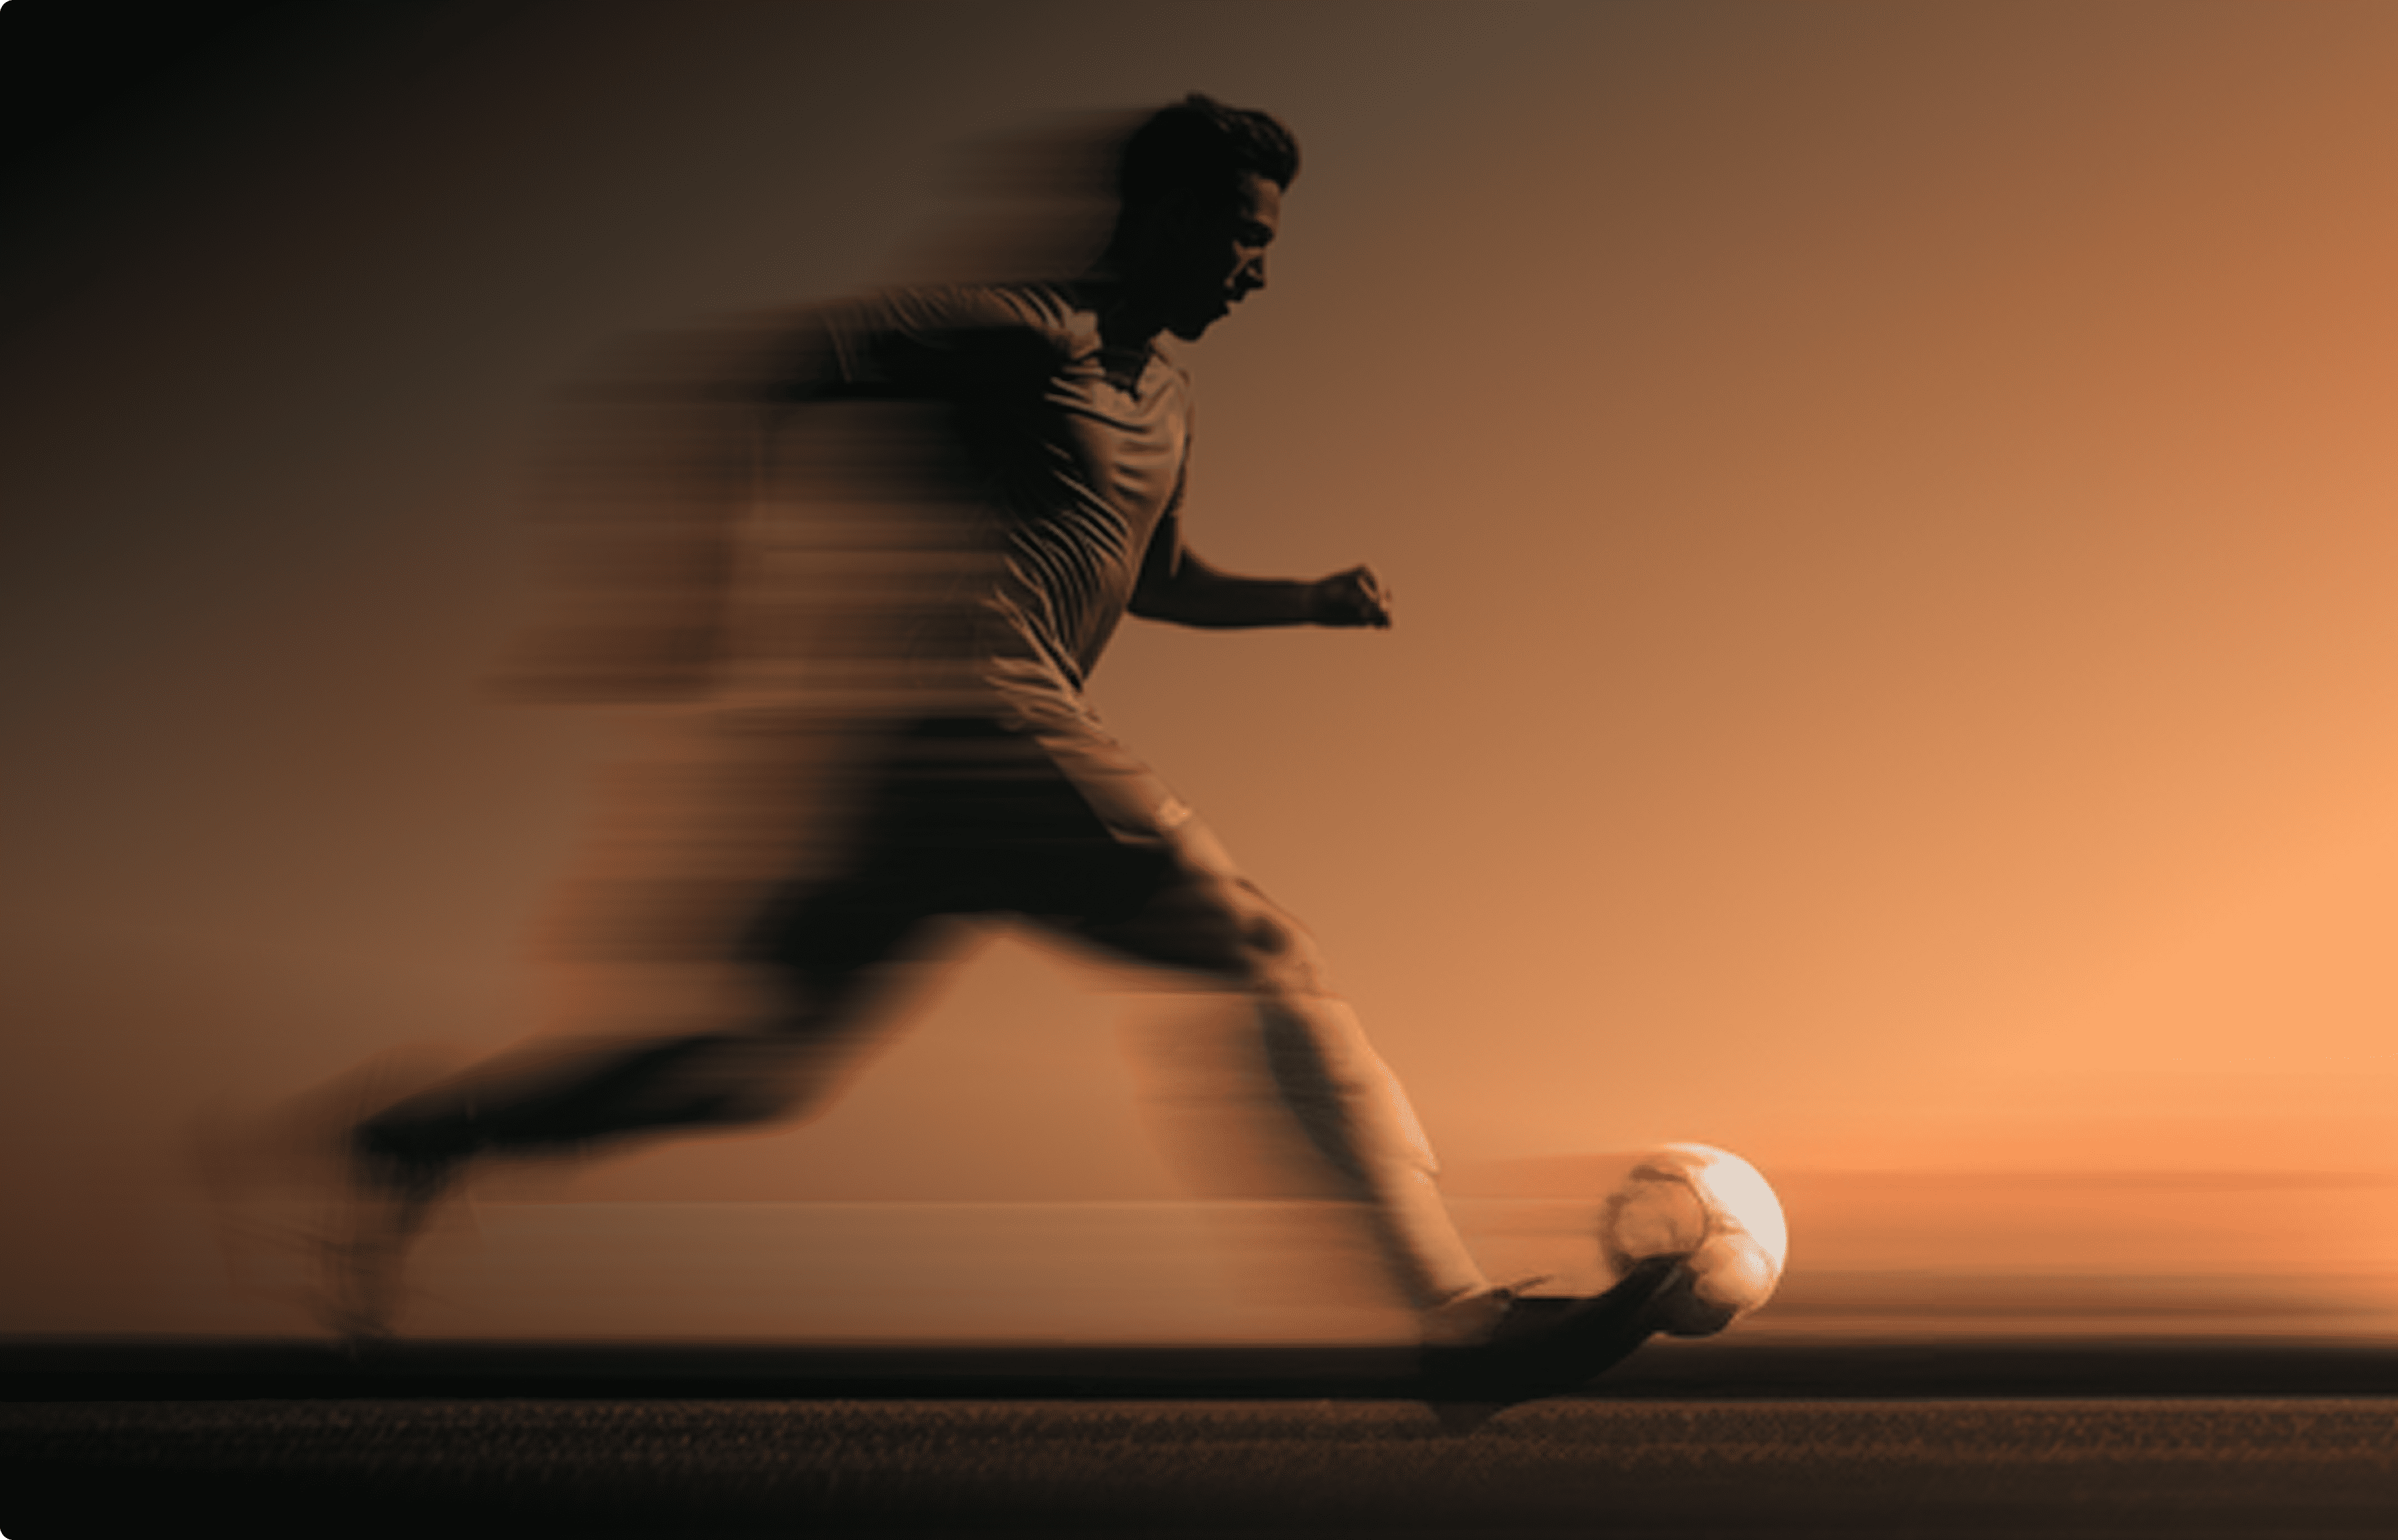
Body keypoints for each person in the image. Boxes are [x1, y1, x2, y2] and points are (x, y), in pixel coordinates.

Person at [327, 94, 1685, 1394]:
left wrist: (1306, 600)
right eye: (1242, 234)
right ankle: (1454, 1322)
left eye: (1269, 241)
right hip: (976, 716)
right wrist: (682, 598)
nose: (1258, 270)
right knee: (1265, 952)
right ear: (1154, 215)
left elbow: (1156, 577)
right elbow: (776, 369)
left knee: (753, 1065)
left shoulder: (1169, 395)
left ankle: (419, 1135)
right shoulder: (1029, 331)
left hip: (910, 775)